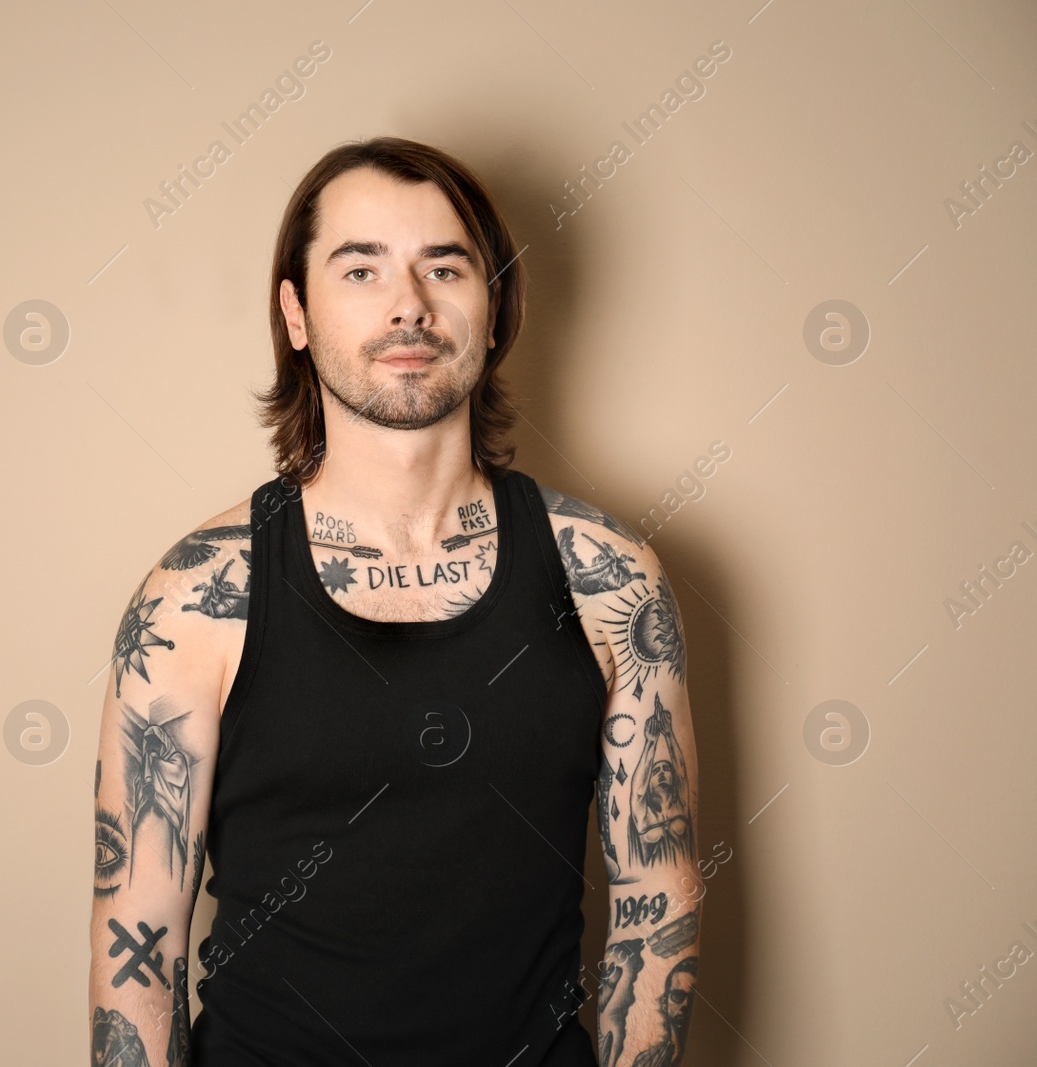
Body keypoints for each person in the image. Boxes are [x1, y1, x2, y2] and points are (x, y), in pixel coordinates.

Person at [88, 136, 702, 1066]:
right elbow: (139, 938)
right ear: (296, 314)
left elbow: (659, 899)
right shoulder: (197, 597)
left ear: (494, 309)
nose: (408, 303)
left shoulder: (607, 577)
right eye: (361, 268)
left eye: (443, 267)